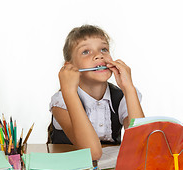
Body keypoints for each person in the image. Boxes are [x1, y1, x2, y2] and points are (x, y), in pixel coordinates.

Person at [49, 25, 144, 160]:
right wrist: (69, 91)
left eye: (104, 49)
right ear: (69, 67)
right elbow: (92, 153)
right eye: (86, 51)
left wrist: (129, 88)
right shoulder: (62, 101)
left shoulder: (122, 97)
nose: (99, 55)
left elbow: (142, 145)